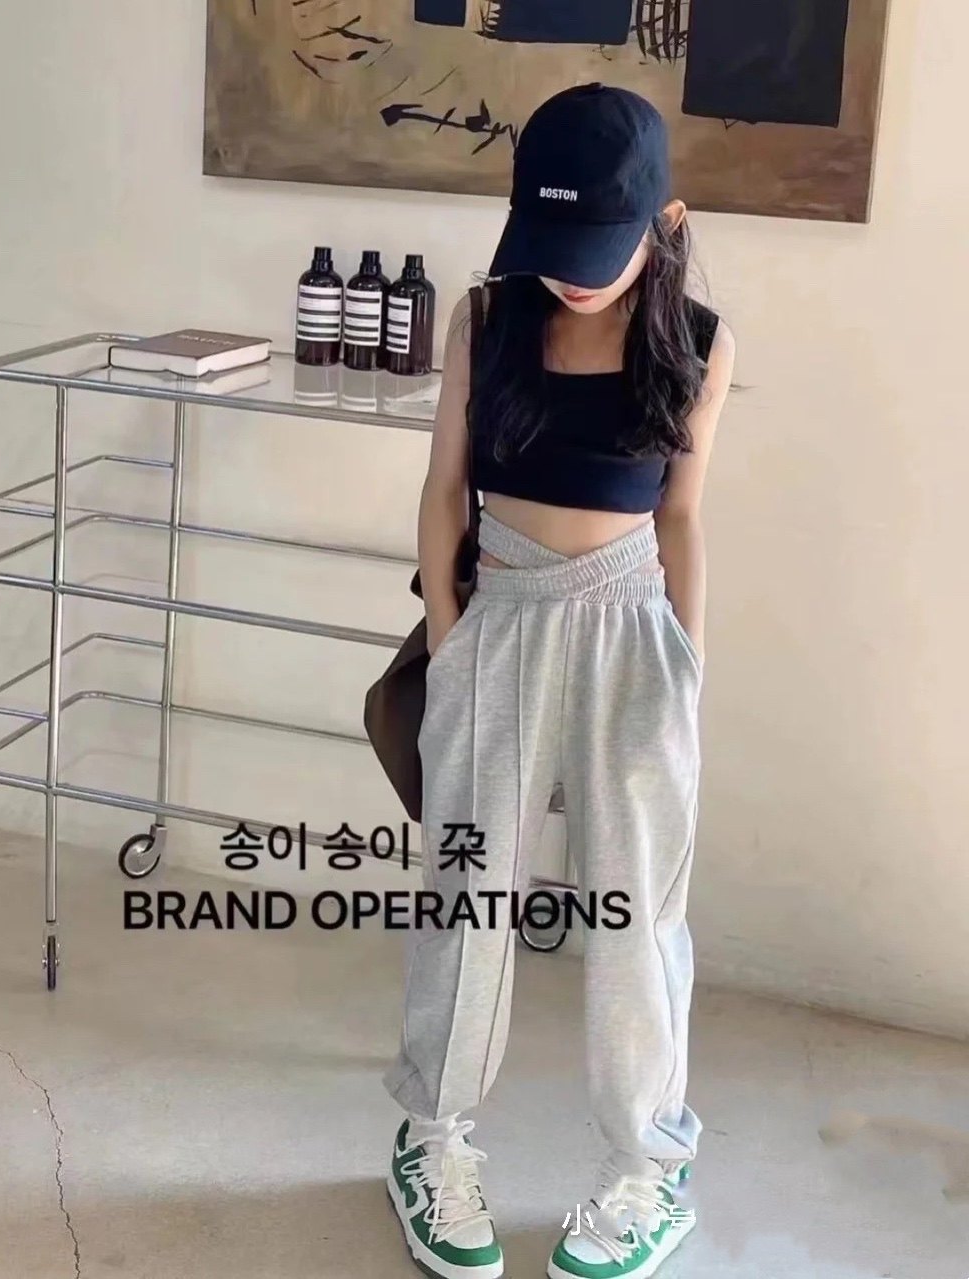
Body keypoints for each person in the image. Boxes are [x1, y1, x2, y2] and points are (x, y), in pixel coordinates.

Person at [382, 83, 736, 1279]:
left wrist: (683, 661)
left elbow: (680, 515)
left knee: (636, 916)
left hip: (634, 625)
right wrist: (450, 641)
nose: (570, 277)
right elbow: (444, 486)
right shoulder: (486, 318)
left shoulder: (698, 343)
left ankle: (646, 1166)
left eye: (598, 246)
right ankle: (432, 1138)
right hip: (500, 616)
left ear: (664, 221)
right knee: (466, 899)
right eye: (551, 242)